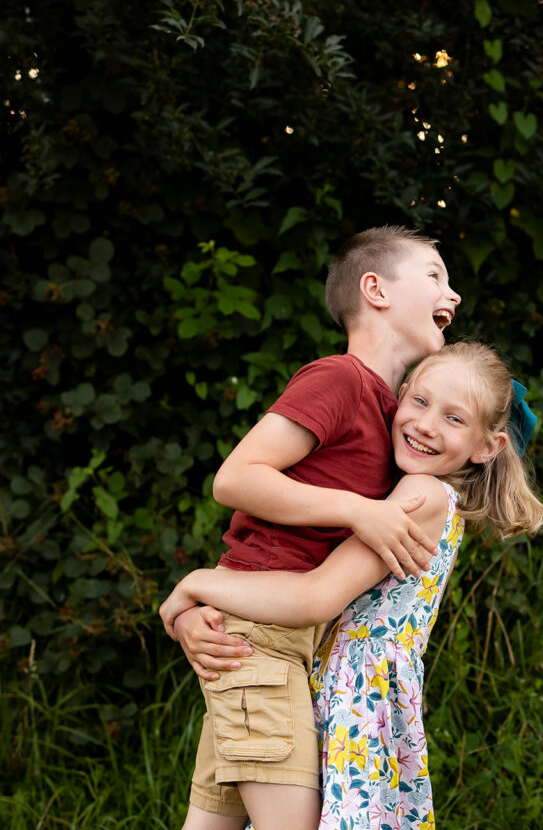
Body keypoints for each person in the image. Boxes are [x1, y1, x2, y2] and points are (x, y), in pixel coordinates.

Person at [161, 342, 543, 829]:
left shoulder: (421, 493)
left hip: (356, 696)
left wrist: (198, 584)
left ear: (487, 446)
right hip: (345, 689)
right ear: (401, 395)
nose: (427, 425)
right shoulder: (417, 493)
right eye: (421, 402)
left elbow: (317, 596)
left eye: (454, 419)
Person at [172, 226, 461, 830]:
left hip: (275, 641)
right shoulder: (339, 379)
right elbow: (236, 478)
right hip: (261, 637)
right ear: (375, 289)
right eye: (435, 275)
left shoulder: (397, 417)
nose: (452, 294)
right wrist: (356, 509)